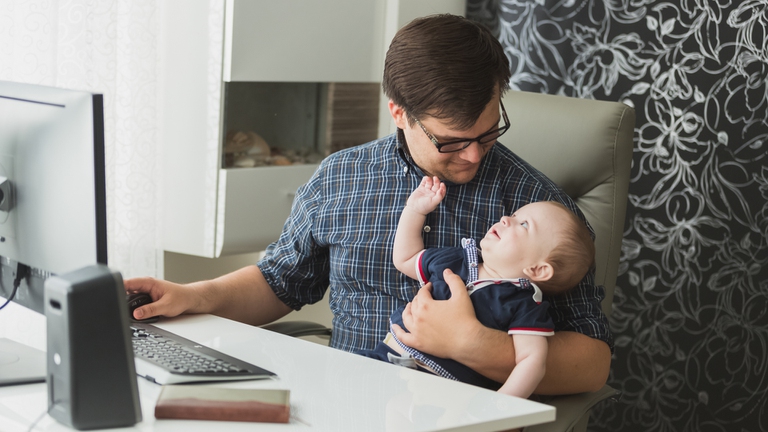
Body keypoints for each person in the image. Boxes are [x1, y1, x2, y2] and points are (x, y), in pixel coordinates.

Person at [125, 14, 612, 395]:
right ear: (399, 112)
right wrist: (194, 296)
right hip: (345, 401)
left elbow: (593, 363)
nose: (473, 155)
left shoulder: (539, 211)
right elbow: (279, 283)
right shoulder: (341, 178)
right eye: (451, 141)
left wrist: (477, 346)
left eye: (488, 133)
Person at [359, 176, 595, 398]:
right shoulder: (456, 260)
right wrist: (414, 211)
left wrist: (501, 406)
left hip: (439, 391)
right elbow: (405, 258)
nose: (505, 218)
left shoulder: (523, 303)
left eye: (523, 224)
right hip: (384, 358)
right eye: (513, 214)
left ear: (538, 270)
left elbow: (532, 361)